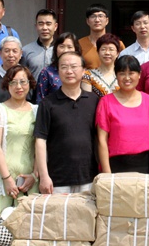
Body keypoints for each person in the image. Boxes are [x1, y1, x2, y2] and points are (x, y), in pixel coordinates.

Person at [0, 65, 39, 236]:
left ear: (30, 84)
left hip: (29, 178)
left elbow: (40, 146)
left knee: (28, 230)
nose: (19, 87)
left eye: (23, 82)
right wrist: (7, 178)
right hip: (2, 176)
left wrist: (35, 175)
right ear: (6, 85)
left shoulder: (37, 111)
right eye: (13, 82)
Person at [34, 51, 99, 194]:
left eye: (74, 66)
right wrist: (44, 176)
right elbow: (40, 140)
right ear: (58, 71)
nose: (69, 71)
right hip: (57, 179)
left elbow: (100, 138)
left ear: (83, 71)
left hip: (88, 177)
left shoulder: (94, 101)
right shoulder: (47, 103)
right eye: (64, 67)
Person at [96, 55, 149, 173]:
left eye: (131, 73)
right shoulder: (106, 102)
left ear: (139, 74)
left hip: (144, 164)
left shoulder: (148, 100)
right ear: (116, 75)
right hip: (116, 165)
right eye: (122, 73)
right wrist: (107, 173)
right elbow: (102, 140)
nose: (127, 78)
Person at [35, 32, 81, 103]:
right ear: (56, 49)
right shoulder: (47, 72)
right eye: (62, 46)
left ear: (76, 50)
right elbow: (40, 100)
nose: (65, 50)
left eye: (69, 47)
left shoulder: (81, 71)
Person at [78, 4, 125, 69]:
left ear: (107, 21)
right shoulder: (79, 44)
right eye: (93, 16)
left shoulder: (117, 43)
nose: (97, 20)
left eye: (100, 16)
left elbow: (124, 67)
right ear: (87, 21)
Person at [22, 8, 59, 81]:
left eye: (48, 24)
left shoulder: (61, 49)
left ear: (55, 26)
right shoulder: (26, 51)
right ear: (36, 26)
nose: (44, 28)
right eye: (41, 24)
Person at [81, 33, 120, 97]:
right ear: (98, 52)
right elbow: (87, 100)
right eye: (103, 49)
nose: (107, 53)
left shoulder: (122, 75)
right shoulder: (88, 75)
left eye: (111, 49)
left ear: (117, 53)